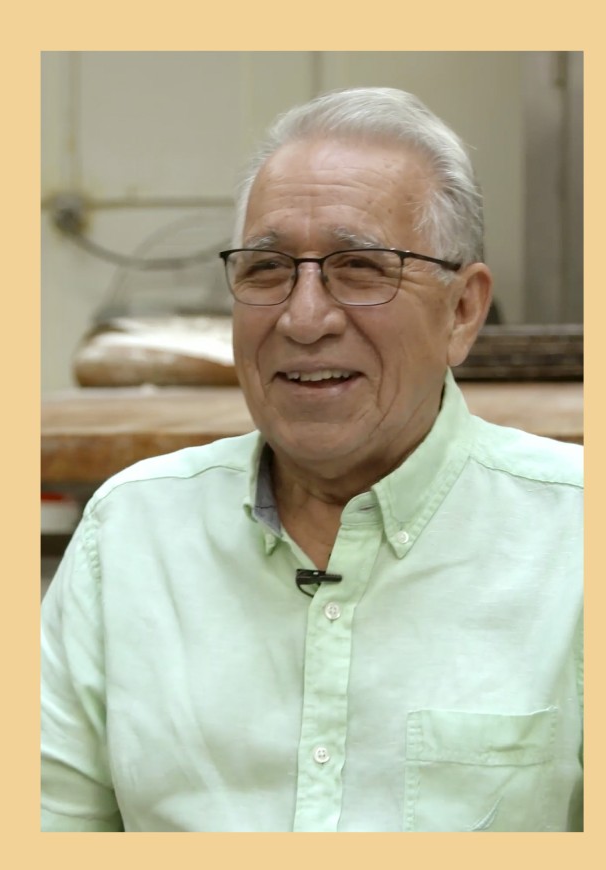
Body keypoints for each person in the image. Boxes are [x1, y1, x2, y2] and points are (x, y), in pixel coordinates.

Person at [40, 87, 583, 832]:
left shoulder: (577, 543)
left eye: (360, 266)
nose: (303, 318)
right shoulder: (129, 534)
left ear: (462, 310)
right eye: (266, 270)